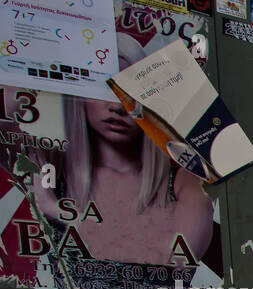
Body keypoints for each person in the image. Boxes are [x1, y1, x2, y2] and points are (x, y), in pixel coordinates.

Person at [32, 34, 213, 268]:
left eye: (130, 94)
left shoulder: (184, 179)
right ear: (80, 98)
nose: (116, 106)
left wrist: (52, 209)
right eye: (105, 90)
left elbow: (175, 264)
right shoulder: (51, 167)